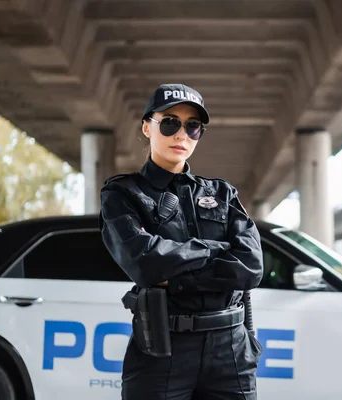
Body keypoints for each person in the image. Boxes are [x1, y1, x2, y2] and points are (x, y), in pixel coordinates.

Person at [99, 83, 264, 399]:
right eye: (170, 122)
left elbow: (251, 267)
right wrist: (215, 250)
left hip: (230, 349)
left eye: (193, 127)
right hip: (161, 349)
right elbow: (145, 264)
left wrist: (173, 274)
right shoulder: (123, 194)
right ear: (148, 127)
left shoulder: (222, 193)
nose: (181, 135)